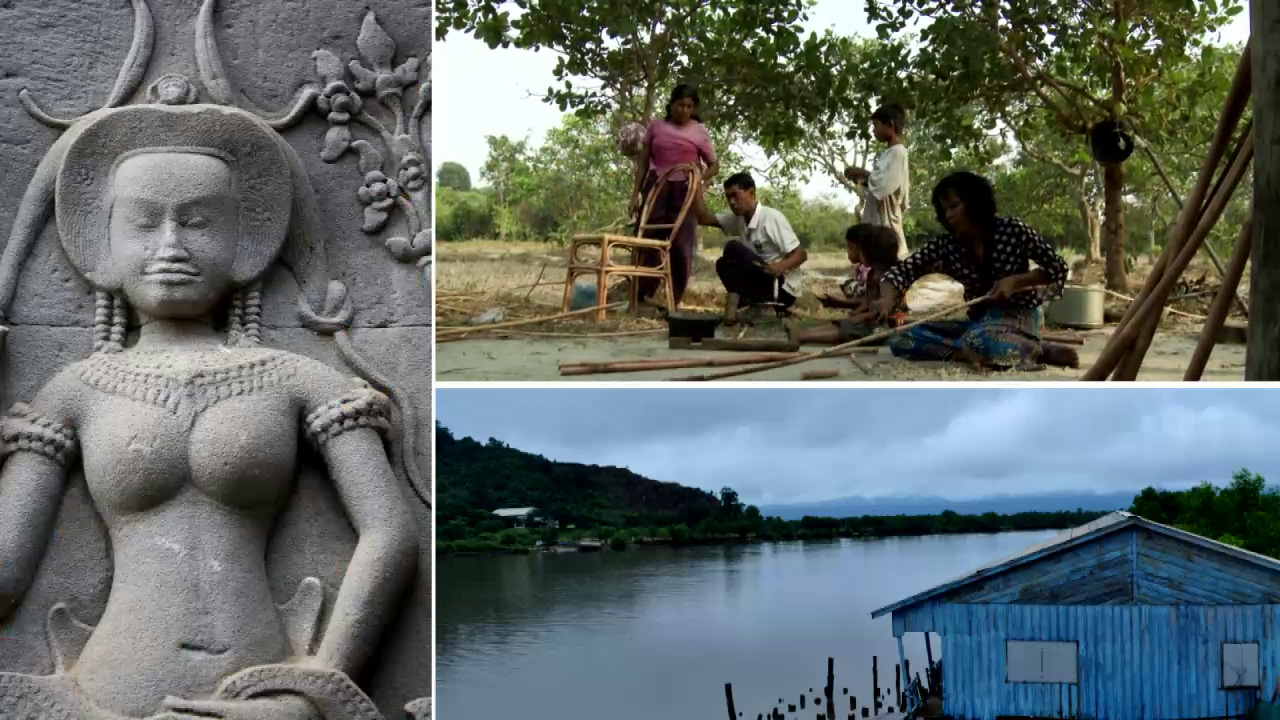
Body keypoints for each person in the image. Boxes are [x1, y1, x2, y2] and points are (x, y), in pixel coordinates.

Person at [873, 171, 1078, 370]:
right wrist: (887, 301)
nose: (949, 215)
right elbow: (901, 273)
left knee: (977, 339)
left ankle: (1032, 350)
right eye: (944, 210)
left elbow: (1058, 268)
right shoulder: (947, 246)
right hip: (980, 323)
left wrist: (1015, 282)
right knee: (901, 337)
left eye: (954, 206)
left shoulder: (1012, 230)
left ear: (975, 202)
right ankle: (974, 352)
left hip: (1020, 315)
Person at [628, 84, 720, 306]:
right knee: (648, 241)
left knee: (680, 245)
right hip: (656, 187)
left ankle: (673, 300)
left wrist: (699, 179)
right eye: (680, 105)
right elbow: (643, 161)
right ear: (671, 105)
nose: (684, 110)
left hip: (684, 191)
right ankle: (641, 296)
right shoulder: (656, 127)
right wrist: (634, 195)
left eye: (689, 106)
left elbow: (714, 165)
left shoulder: (699, 131)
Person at [695, 172, 807, 324]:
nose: (732, 202)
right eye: (728, 197)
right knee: (722, 264)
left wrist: (778, 266)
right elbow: (703, 218)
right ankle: (751, 305)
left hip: (781, 288)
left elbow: (801, 255)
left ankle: (766, 307)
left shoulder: (771, 218)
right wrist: (697, 187)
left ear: (752, 193)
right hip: (762, 282)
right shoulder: (738, 219)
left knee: (732, 247)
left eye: (735, 195)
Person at [785, 223, 907, 346]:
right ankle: (802, 332)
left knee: (853, 329)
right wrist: (855, 312)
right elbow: (867, 303)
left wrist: (862, 316)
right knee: (844, 322)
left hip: (889, 326)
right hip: (872, 319)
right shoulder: (872, 275)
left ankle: (802, 336)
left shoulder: (891, 278)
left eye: (861, 250)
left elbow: (883, 310)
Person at [845, 103, 911, 259]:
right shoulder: (888, 154)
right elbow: (879, 184)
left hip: (886, 227)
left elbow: (883, 185)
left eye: (876, 125)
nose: (873, 130)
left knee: (884, 269)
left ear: (890, 124)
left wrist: (863, 174)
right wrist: (862, 178)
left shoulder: (898, 152)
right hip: (878, 226)